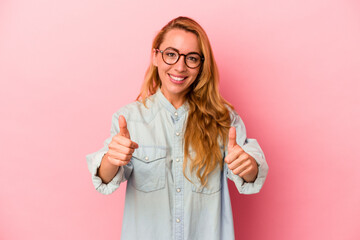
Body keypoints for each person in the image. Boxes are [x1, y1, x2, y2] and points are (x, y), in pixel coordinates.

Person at [86, 16, 268, 240]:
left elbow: (250, 176)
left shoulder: (223, 119)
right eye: (171, 54)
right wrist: (111, 160)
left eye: (191, 58)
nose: (180, 67)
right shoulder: (130, 119)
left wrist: (247, 166)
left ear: (201, 65)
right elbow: (105, 179)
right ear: (156, 56)